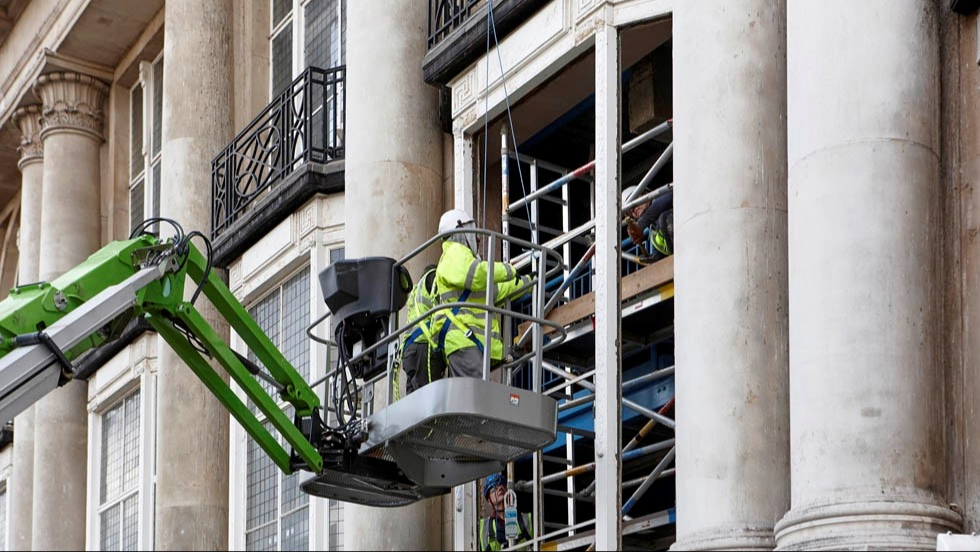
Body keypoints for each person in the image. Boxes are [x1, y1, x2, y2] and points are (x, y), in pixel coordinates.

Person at [433, 209, 532, 380]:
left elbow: (495, 291)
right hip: (463, 340)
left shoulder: (462, 263)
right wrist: (507, 270)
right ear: (460, 231)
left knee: (475, 397)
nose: (478, 239)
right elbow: (476, 274)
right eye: (472, 232)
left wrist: (527, 282)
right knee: (473, 399)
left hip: (469, 342)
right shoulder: (454, 253)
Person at [398, 263, 445, 395]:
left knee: (414, 403)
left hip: (410, 351)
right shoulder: (432, 278)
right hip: (423, 347)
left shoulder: (415, 291)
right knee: (428, 400)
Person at [480, 473, 533, 551]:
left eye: (502, 486)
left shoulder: (526, 519)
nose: (500, 488)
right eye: (494, 489)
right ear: (489, 501)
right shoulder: (483, 527)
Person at [623, 184, 673, 262]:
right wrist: (654, 258)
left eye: (634, 202)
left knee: (664, 218)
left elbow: (669, 196)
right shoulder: (654, 233)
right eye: (629, 211)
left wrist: (641, 224)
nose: (632, 210)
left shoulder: (662, 196)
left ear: (646, 194)